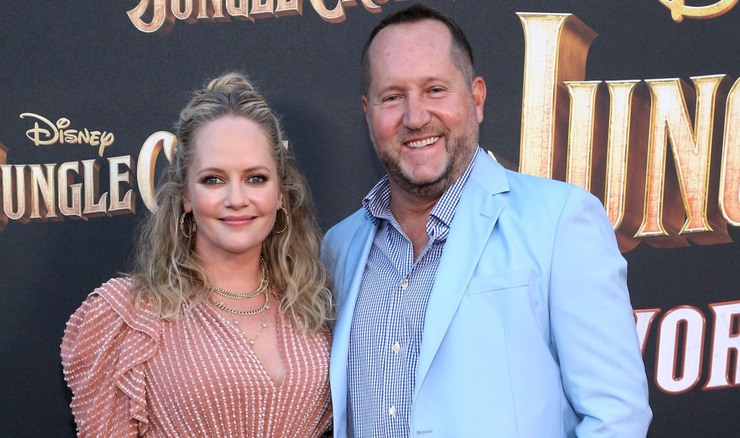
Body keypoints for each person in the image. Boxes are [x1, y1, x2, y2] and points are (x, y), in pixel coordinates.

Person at [321, 4, 652, 437]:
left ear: (476, 98)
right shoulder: (339, 247)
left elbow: (617, 419)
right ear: (368, 113)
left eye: (435, 89)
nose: (415, 116)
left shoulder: (560, 221)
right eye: (392, 96)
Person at [61, 72, 333, 437]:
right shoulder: (130, 314)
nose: (236, 199)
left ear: (281, 192)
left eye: (255, 178)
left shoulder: (311, 307)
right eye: (213, 179)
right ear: (185, 195)